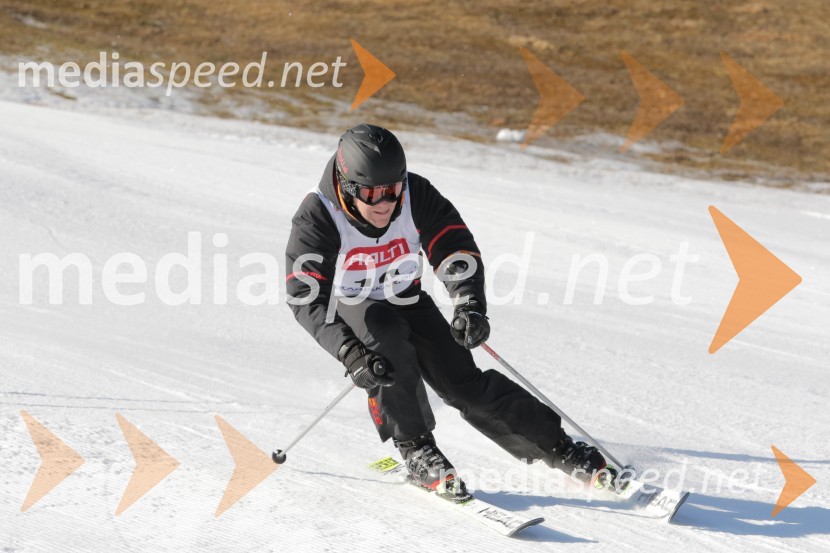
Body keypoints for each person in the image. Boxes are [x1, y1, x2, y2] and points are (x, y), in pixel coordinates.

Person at [285, 123, 610, 500]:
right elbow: (305, 295)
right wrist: (349, 351)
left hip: (407, 295)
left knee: (461, 382)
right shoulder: (317, 215)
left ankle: (557, 447)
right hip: (352, 303)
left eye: (392, 190)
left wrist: (469, 302)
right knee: (388, 344)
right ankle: (416, 449)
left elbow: (454, 248)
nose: (385, 203)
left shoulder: (415, 194)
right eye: (372, 194)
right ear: (347, 186)